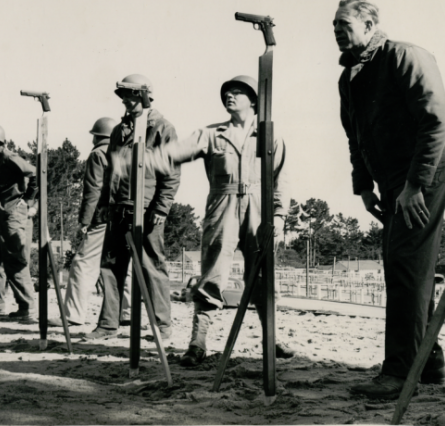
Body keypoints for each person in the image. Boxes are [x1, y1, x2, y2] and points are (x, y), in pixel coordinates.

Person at [333, 0, 445, 398]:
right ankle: (429, 364)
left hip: (421, 177)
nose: (336, 29)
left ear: (369, 24)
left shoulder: (404, 56)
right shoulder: (350, 75)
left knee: (405, 266)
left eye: (344, 23)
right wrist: (363, 186)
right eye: (333, 23)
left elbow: (435, 119)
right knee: (408, 268)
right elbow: (356, 137)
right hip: (390, 183)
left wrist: (416, 184)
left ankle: (401, 373)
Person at [144, 75, 292, 366]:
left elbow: (281, 178)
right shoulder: (211, 134)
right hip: (222, 206)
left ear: (253, 100)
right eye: (227, 93)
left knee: (262, 278)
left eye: (238, 92)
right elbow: (178, 151)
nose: (230, 96)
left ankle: (271, 340)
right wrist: (145, 160)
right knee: (211, 276)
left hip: (259, 209)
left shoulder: (269, 135)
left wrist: (278, 215)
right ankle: (197, 343)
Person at [85, 74, 180, 341]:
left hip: (147, 209)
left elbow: (171, 173)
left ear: (145, 95)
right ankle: (107, 325)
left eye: (131, 95)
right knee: (111, 267)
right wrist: (104, 204)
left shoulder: (162, 128)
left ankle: (161, 325)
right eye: (123, 95)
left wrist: (161, 207)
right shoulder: (119, 130)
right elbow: (110, 173)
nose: (126, 100)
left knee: (152, 267)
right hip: (118, 209)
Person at [48, 117, 133, 328]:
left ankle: (73, 314)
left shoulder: (98, 154)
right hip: (125, 215)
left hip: (103, 217)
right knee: (124, 266)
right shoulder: (128, 152)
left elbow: (93, 189)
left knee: (82, 264)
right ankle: (128, 313)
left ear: (97, 136)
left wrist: (85, 220)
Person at [0, 123, 37, 320]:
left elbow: (34, 173)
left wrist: (28, 199)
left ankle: (27, 308)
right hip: (1, 212)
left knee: (14, 259)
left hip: (13, 212)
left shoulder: (7, 157)